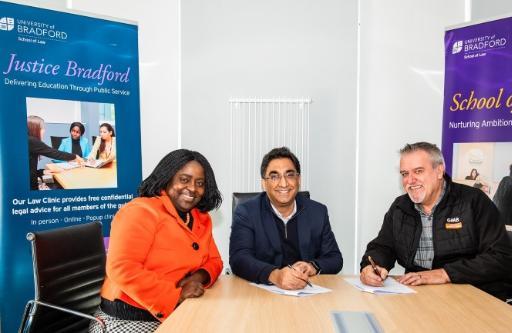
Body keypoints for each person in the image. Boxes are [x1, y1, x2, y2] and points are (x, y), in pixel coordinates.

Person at [360, 142, 512, 299]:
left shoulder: (473, 201)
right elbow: (382, 247)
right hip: (419, 296)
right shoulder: (401, 206)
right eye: (405, 174)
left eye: (418, 171)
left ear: (439, 170)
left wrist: (445, 274)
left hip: (473, 297)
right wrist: (371, 267)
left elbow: (502, 258)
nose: (410, 180)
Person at [89, 149, 223, 332]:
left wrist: (196, 279)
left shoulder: (200, 217)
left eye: (200, 183)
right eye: (184, 179)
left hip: (178, 311)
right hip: (128, 317)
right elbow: (122, 268)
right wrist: (177, 295)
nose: (192, 188)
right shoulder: (140, 211)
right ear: (166, 179)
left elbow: (214, 261)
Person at [229, 147, 342, 290]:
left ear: (298, 179)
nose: (283, 184)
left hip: (305, 292)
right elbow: (239, 259)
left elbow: (335, 258)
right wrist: (275, 276)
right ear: (264, 183)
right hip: (260, 293)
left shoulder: (317, 211)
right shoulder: (247, 212)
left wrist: (312, 266)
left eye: (289, 175)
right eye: (274, 176)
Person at [27, 115, 84, 190]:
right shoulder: (31, 141)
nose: (44, 130)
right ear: (35, 129)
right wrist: (75, 157)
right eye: (42, 128)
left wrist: (43, 171)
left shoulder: (28, 141)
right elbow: (55, 153)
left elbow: (30, 171)